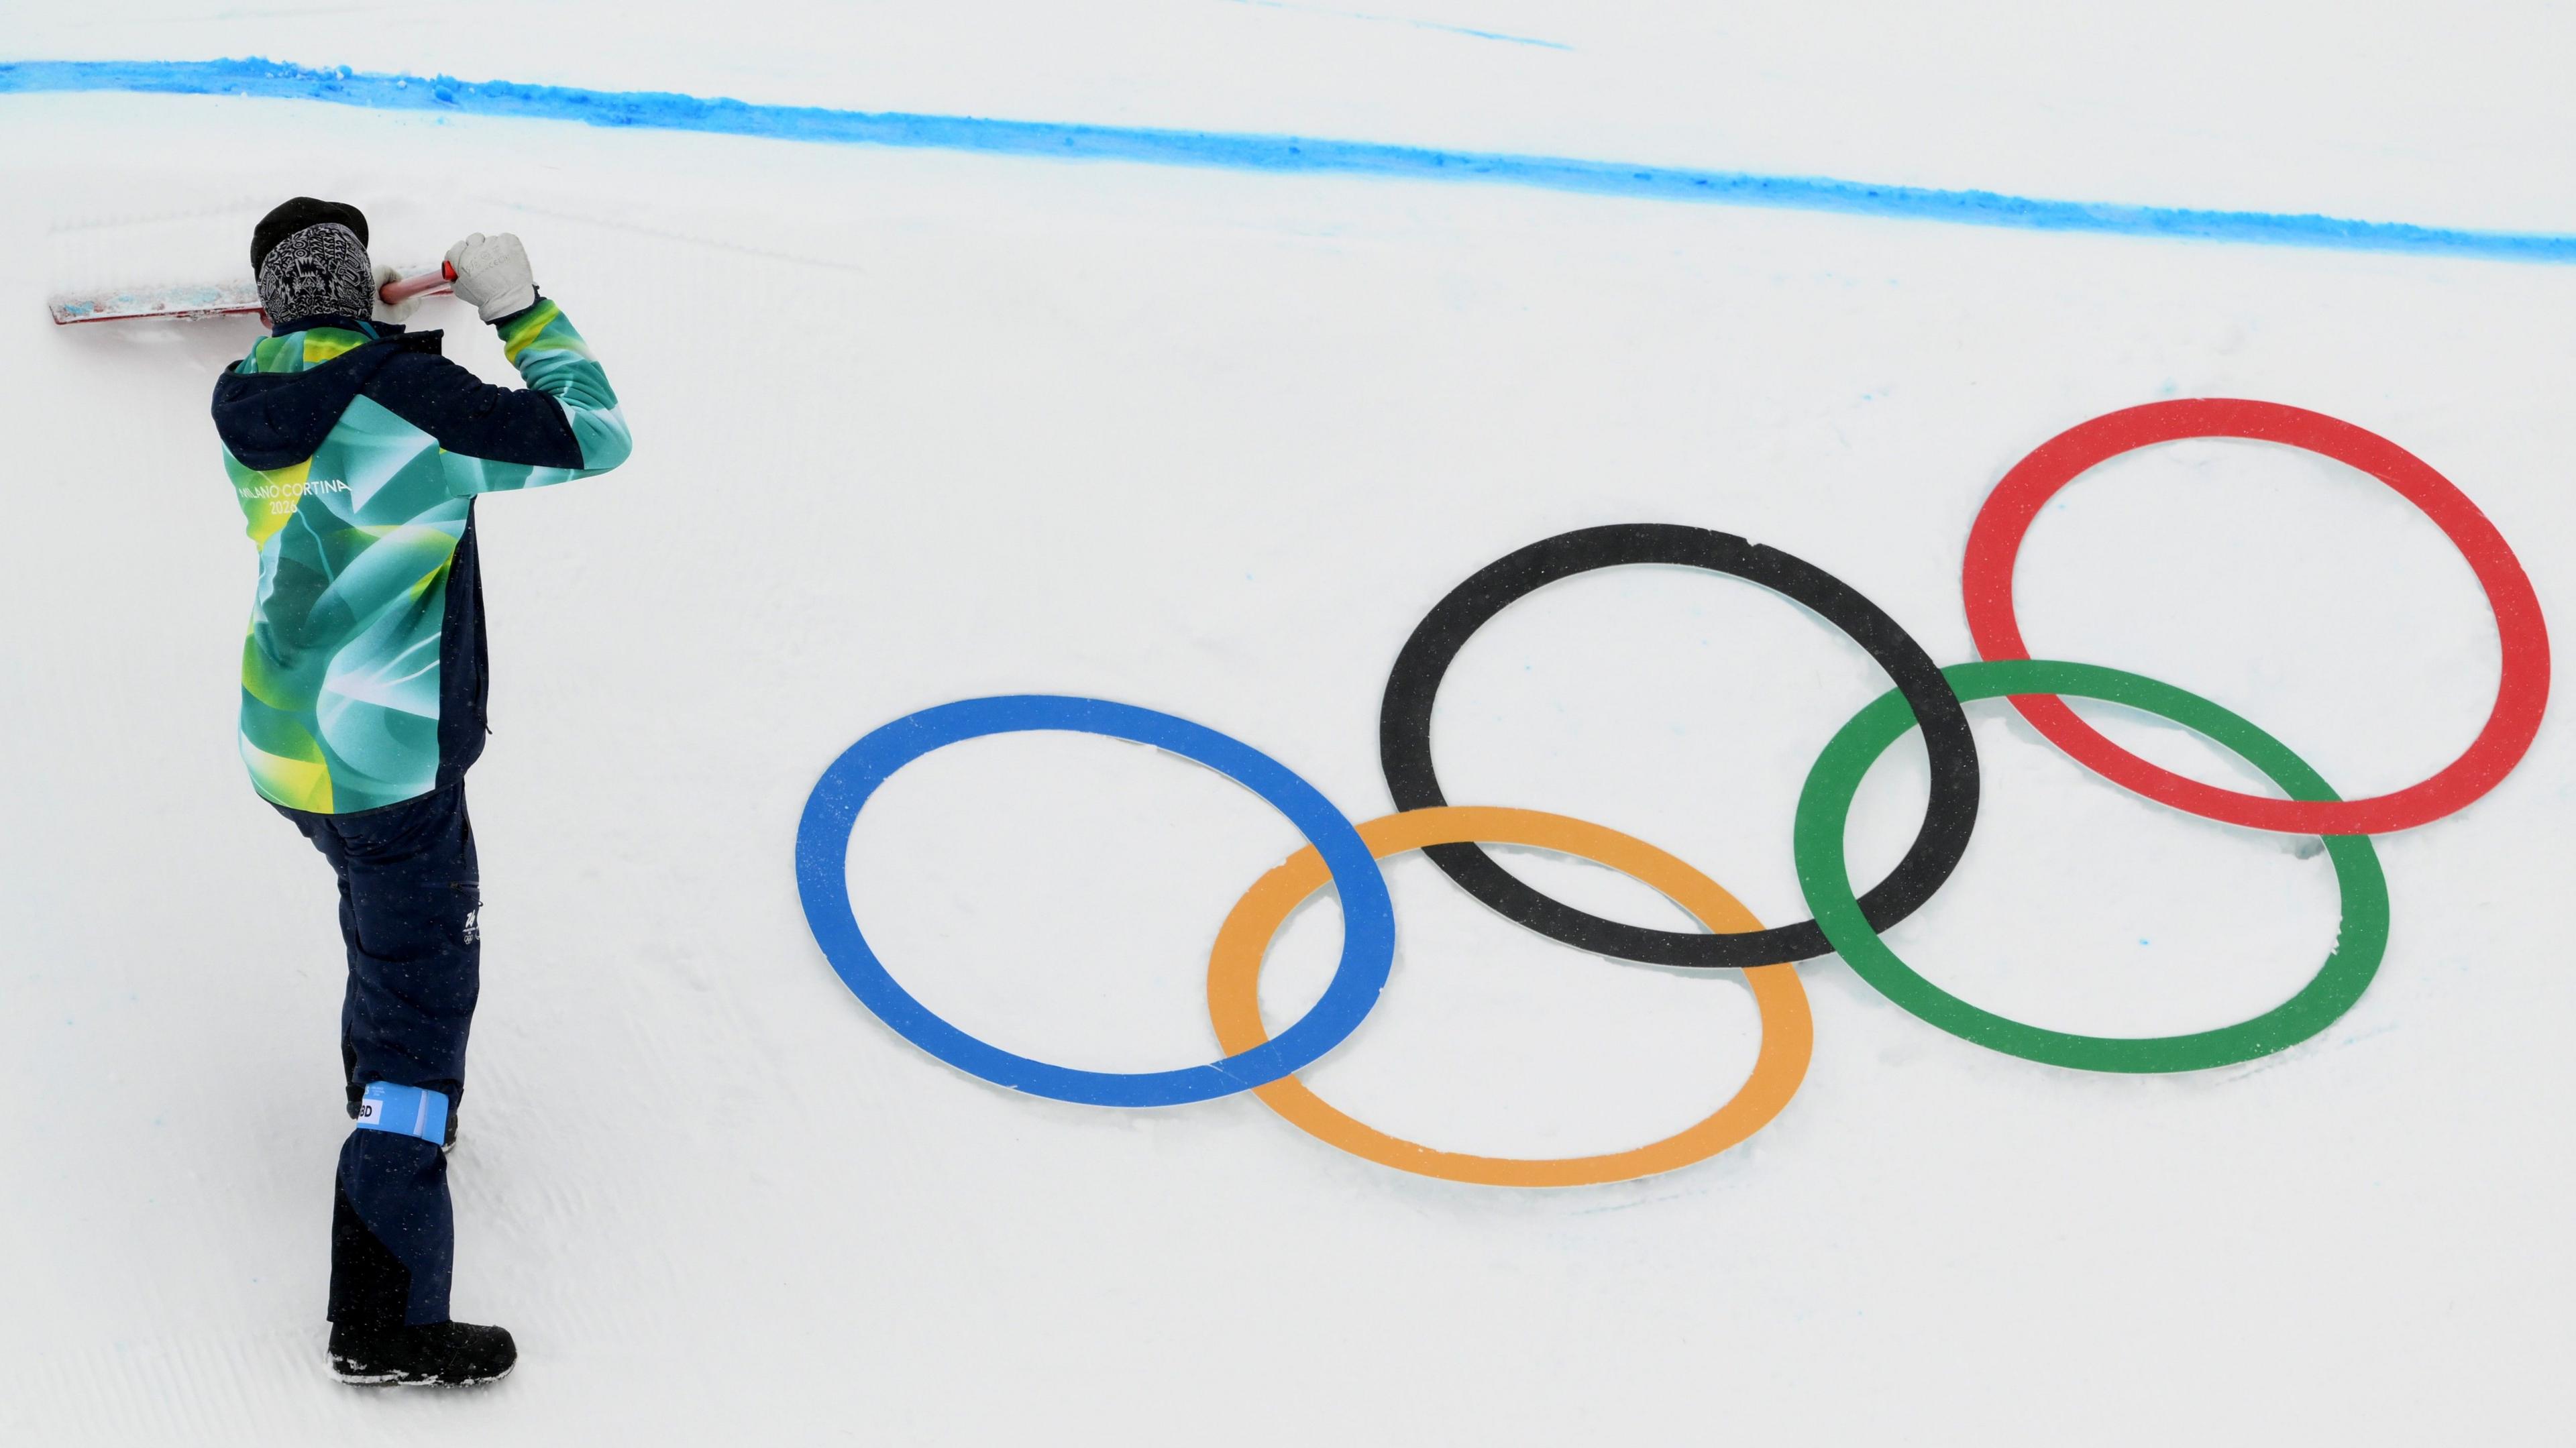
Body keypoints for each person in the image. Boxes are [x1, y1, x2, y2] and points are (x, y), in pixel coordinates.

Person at [209, 197, 632, 1386]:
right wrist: (519, 307)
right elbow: (596, 433)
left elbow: (319, 368)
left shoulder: (245, 400)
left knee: (380, 929)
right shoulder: (423, 408)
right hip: (388, 762)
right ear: (357, 294)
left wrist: (352, 323)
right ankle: (383, 1322)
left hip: (282, 750)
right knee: (421, 1006)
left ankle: (384, 1096)